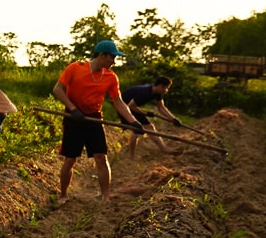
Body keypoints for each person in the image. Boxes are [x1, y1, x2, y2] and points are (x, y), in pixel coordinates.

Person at [52, 38, 142, 201]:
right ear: (102, 55)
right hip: (74, 118)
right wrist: (73, 109)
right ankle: (64, 195)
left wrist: (132, 121)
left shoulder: (111, 77)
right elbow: (58, 89)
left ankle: (105, 195)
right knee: (70, 159)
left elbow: (118, 102)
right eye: (112, 57)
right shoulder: (75, 68)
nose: (114, 62)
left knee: (101, 157)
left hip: (94, 119)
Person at [120, 75, 183, 153]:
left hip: (131, 107)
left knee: (148, 127)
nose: (166, 90)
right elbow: (131, 106)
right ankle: (131, 157)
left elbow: (161, 108)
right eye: (166, 88)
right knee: (136, 131)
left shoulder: (156, 93)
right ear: (160, 86)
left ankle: (164, 150)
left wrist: (173, 119)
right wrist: (145, 113)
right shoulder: (145, 92)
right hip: (123, 107)